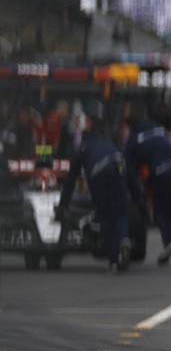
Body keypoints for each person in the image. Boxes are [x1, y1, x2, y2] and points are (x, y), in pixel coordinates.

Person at [56, 104, 144, 273]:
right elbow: (130, 174)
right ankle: (124, 240)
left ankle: (114, 258)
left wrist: (63, 205)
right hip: (118, 165)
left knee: (105, 215)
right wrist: (138, 197)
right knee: (120, 212)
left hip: (99, 171)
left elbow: (71, 179)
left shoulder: (83, 148)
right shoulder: (109, 144)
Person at [126, 103, 171, 273]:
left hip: (163, 172)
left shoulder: (133, 139)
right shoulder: (157, 127)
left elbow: (131, 171)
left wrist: (138, 195)